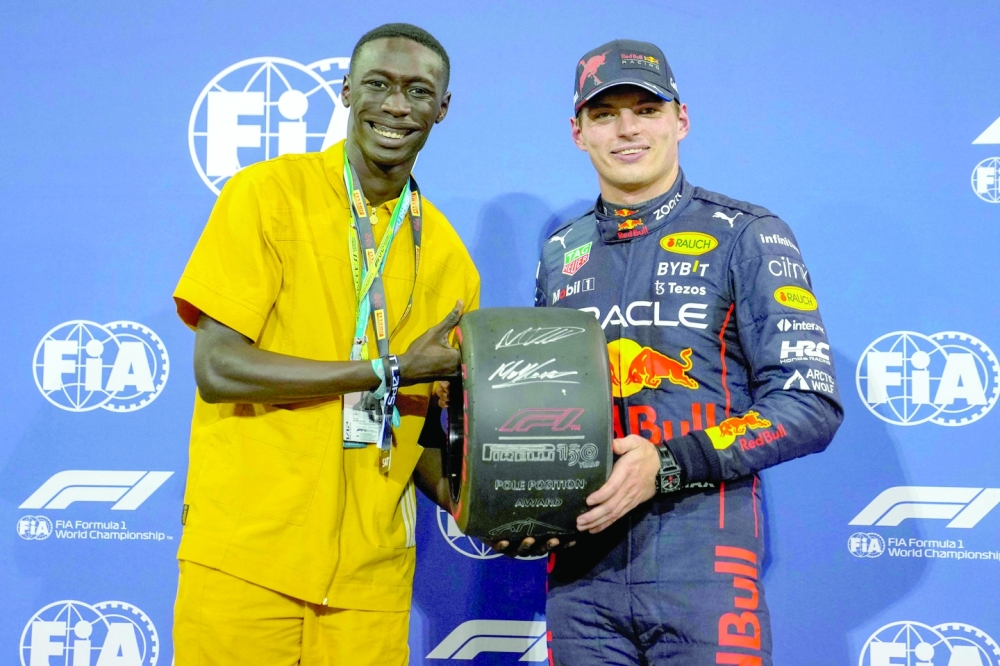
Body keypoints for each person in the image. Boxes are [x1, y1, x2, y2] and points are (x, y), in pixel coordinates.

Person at [170, 23, 478, 666]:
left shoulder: (451, 259)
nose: (397, 106)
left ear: (442, 110)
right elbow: (218, 368)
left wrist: (486, 509)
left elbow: (421, 433)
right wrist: (384, 368)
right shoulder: (265, 195)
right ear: (345, 91)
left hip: (371, 580)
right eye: (379, 84)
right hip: (247, 558)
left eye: (419, 91)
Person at [529, 39, 843, 665]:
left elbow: (810, 403)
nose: (626, 129)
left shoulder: (749, 234)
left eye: (645, 109)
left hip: (705, 568)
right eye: (604, 113)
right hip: (580, 575)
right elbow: (540, 405)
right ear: (577, 132)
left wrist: (667, 463)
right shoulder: (561, 252)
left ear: (681, 120)